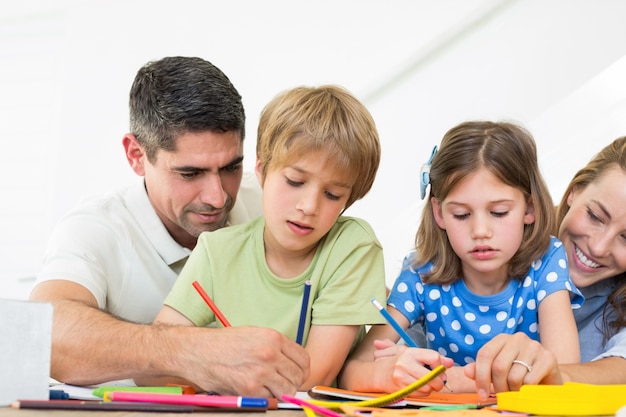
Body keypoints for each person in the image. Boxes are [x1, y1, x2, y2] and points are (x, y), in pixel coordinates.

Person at [29, 56, 309, 397]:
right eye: (190, 174)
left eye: (231, 167)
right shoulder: (95, 227)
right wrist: (191, 350)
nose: (218, 197)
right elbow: (43, 333)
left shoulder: (274, 202)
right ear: (136, 155)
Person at [148, 85, 388, 390]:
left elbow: (316, 377)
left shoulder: (353, 247)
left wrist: (215, 367)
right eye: (295, 181)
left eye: (332, 194)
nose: (308, 207)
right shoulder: (216, 251)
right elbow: (153, 367)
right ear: (261, 171)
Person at [338, 120, 583, 395]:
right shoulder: (421, 271)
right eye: (462, 215)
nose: (480, 231)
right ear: (439, 213)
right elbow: (351, 372)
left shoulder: (547, 260)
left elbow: (563, 372)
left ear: (529, 208)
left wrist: (447, 380)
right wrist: (388, 373)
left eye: (499, 212)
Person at [467, 135, 626, 395]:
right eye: (595, 216)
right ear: (575, 191)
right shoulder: (494, 243)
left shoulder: (615, 300)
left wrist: (551, 373)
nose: (599, 247)